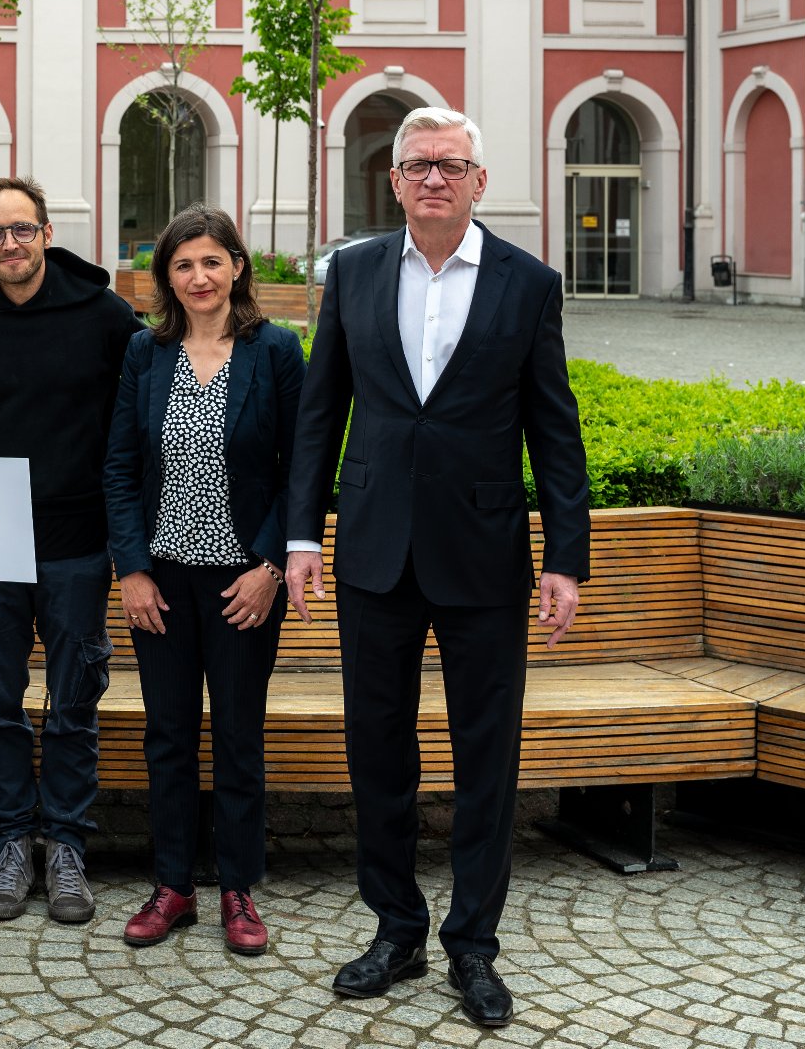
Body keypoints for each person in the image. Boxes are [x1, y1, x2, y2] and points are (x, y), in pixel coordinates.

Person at [283, 108, 588, 1028]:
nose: (432, 179)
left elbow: (553, 427)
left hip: (483, 554)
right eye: (416, 164)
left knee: (485, 759)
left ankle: (473, 947)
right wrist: (301, 537)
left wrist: (563, 558)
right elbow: (317, 412)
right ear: (394, 179)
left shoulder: (527, 284)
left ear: (478, 182)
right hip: (374, 549)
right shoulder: (355, 272)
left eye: (450, 165)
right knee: (378, 751)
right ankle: (394, 930)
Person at [0, 176, 140, 924]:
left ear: (45, 232)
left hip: (78, 541)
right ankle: (12, 841)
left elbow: (129, 425)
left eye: (21, 229)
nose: (8, 244)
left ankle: (68, 845)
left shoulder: (105, 316)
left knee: (74, 699)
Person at [102, 203, 306, 957]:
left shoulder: (275, 351)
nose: (198, 277)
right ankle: (172, 886)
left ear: (237, 268)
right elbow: (119, 467)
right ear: (166, 277)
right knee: (167, 736)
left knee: (238, 737)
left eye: (211, 261)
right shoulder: (144, 354)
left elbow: (301, 470)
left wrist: (269, 567)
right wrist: (130, 570)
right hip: (161, 584)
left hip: (241, 584)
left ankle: (238, 889)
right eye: (182, 265)